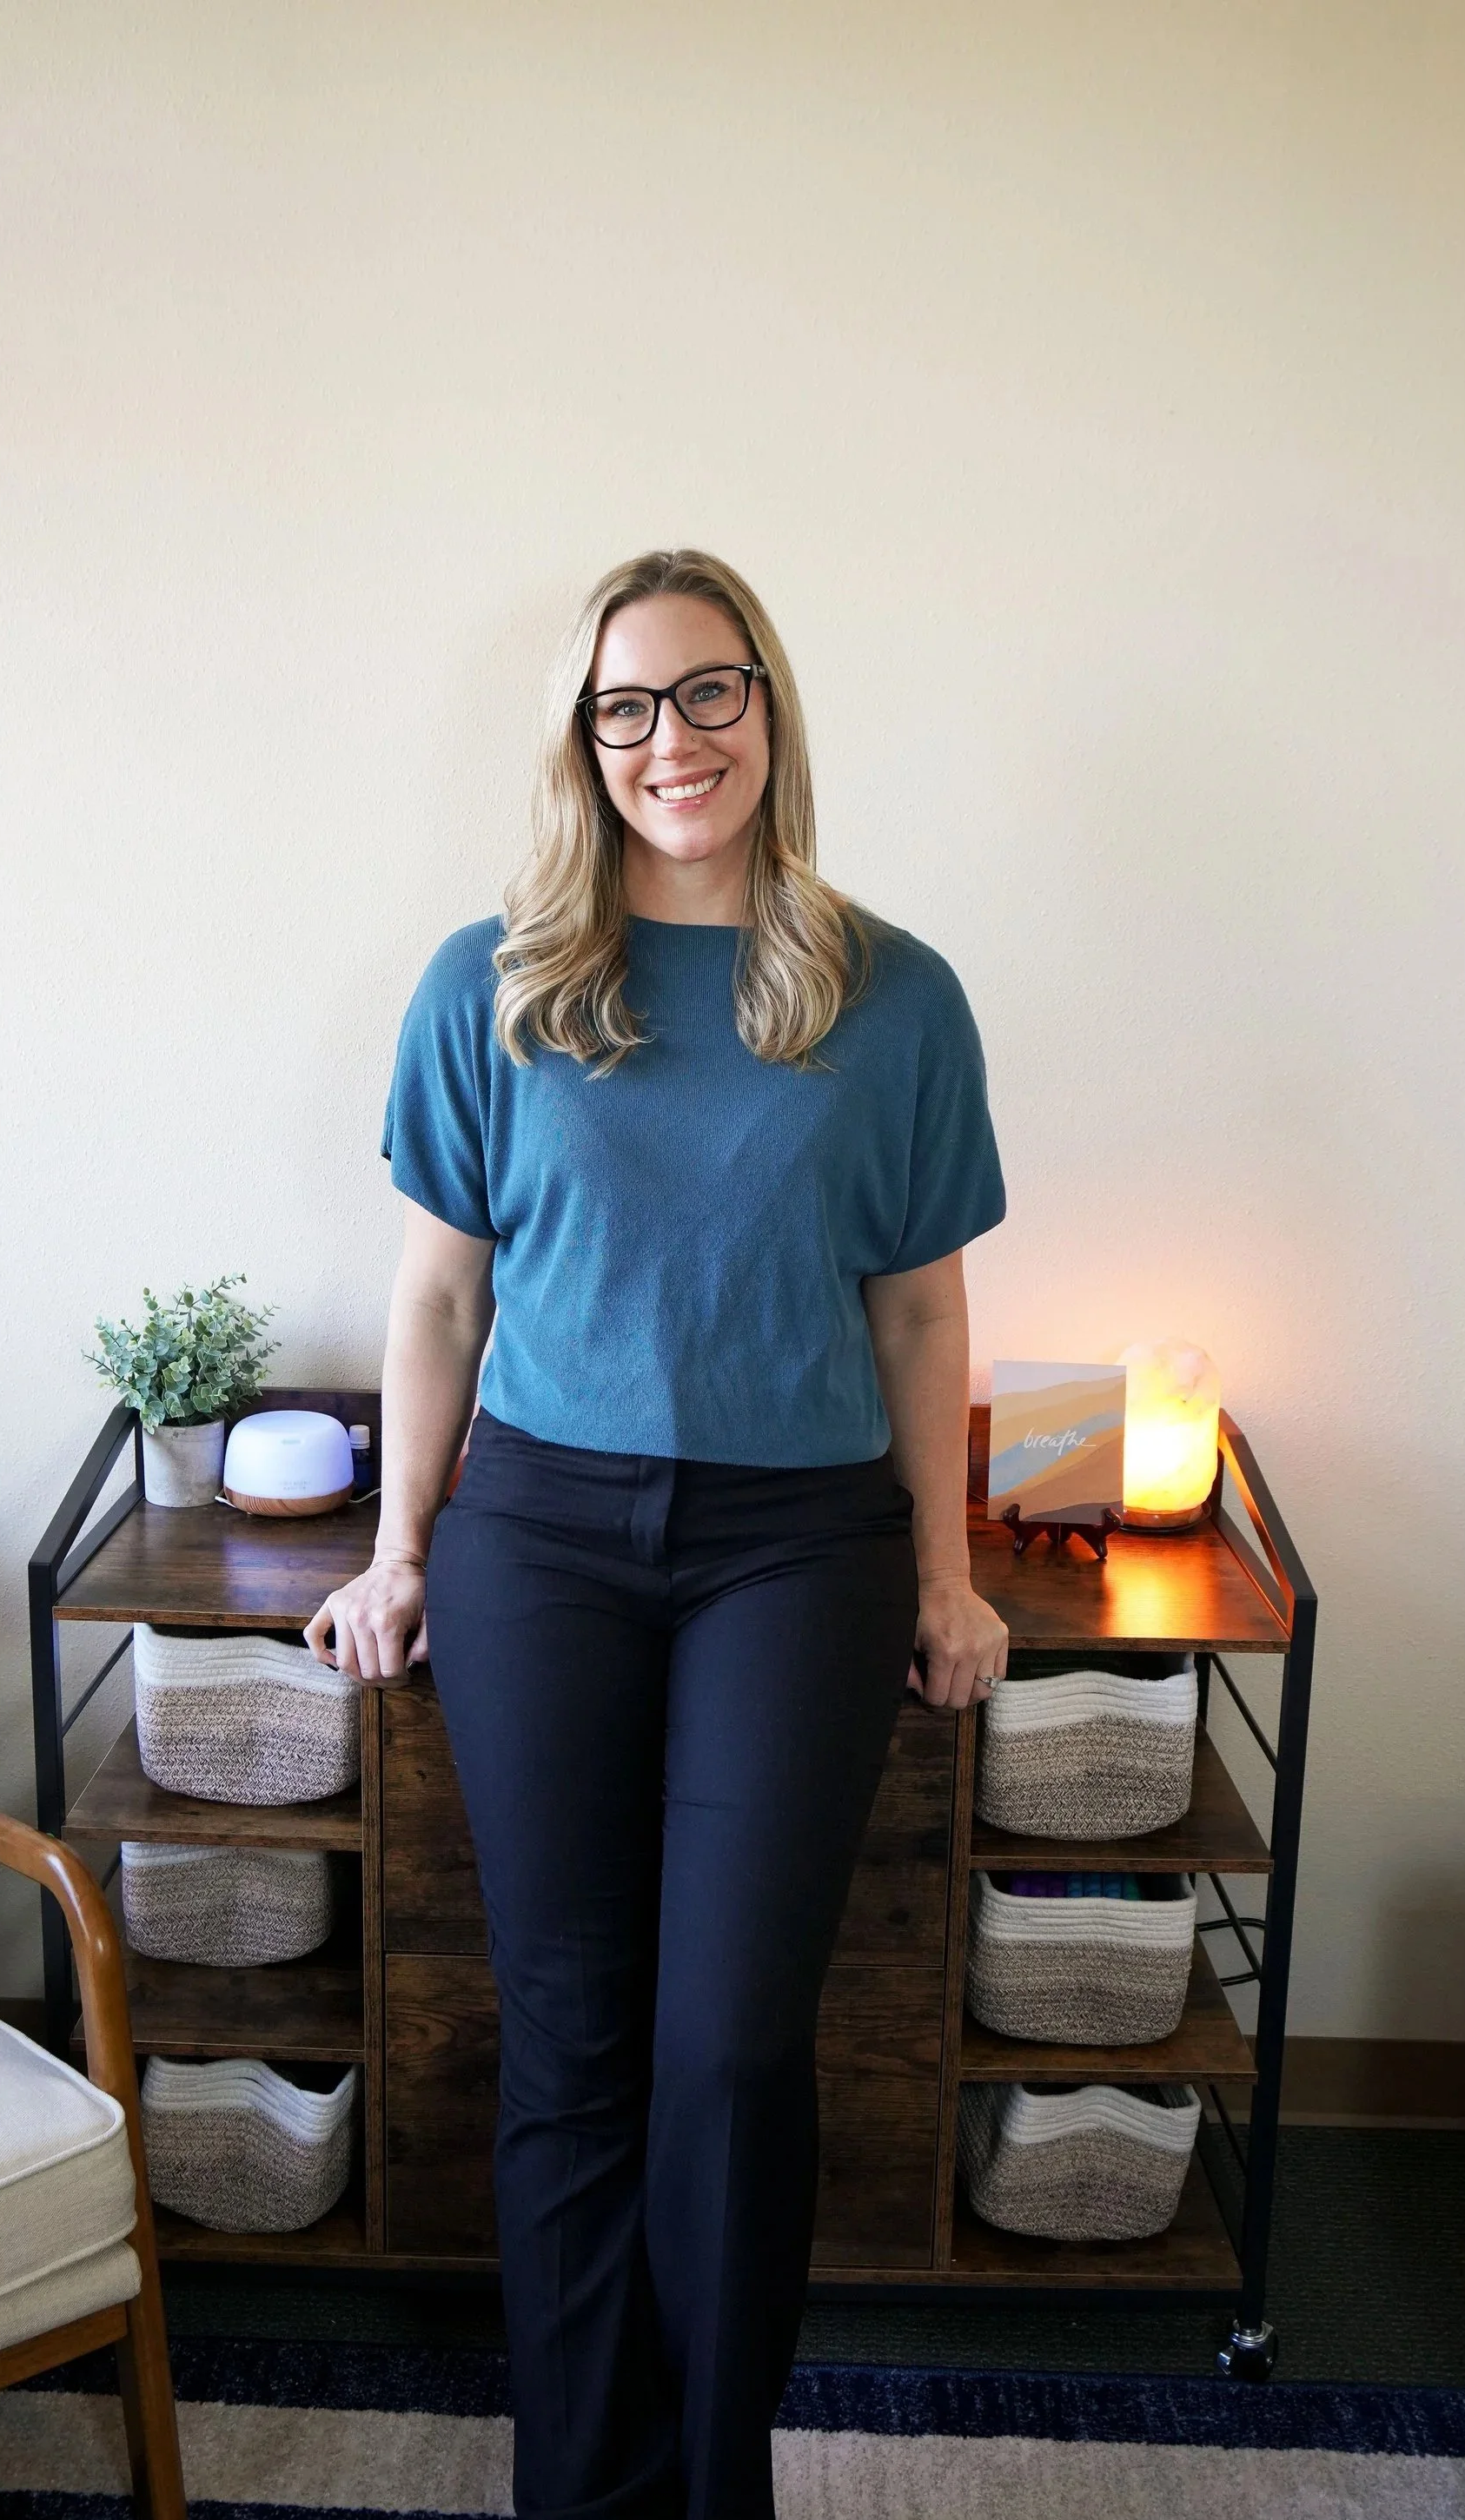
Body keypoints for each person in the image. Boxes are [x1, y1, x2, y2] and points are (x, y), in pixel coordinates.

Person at [307, 548, 1007, 2520]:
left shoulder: (893, 995)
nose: (666, 740)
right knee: (572, 2042)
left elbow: (917, 1307)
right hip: (541, 1537)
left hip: (795, 1548)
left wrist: (945, 1574)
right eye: (622, 707)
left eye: (704, 694)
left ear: (768, 712)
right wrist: (399, 1546)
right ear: (578, 741)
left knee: (721, 2051)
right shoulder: (497, 983)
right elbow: (437, 1301)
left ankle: (713, 2485)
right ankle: (580, 2493)